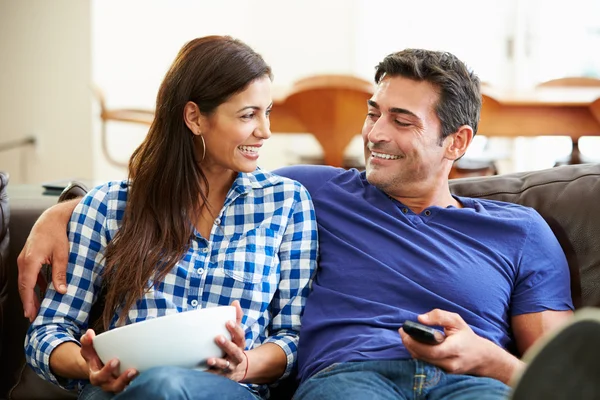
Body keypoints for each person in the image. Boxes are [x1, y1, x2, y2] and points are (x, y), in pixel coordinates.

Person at [20, 48, 573, 399]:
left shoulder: (520, 231)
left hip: (473, 384)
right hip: (352, 379)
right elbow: (196, 175)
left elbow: (563, 378)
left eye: (400, 121)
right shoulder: (313, 192)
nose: (375, 134)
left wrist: (490, 359)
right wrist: (62, 206)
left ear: (457, 143)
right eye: (373, 113)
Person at [22, 35, 318, 400]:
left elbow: (294, 336)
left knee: (165, 385)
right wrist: (91, 368)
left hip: (231, 392)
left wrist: (244, 364)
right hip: (119, 393)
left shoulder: (286, 203)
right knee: (157, 386)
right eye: (248, 115)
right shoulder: (111, 206)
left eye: (267, 111)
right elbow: (49, 332)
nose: (265, 131)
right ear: (194, 117)